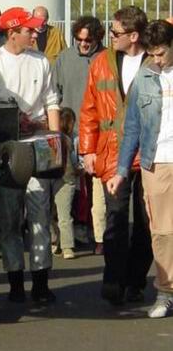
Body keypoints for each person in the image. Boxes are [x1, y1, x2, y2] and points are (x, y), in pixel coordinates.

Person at [0, 7, 60, 302]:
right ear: (12, 33)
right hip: (8, 148)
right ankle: (15, 281)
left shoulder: (41, 61)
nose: (35, 33)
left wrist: (56, 142)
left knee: (40, 214)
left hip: (38, 145)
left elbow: (52, 101)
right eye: (29, 30)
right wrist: (14, 121)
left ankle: (41, 282)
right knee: (10, 217)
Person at [79, 6, 153, 306]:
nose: (110, 36)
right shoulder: (101, 62)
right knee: (116, 218)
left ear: (133, 36)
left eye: (115, 32)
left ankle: (135, 280)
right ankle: (114, 279)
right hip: (111, 151)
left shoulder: (156, 61)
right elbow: (89, 108)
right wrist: (87, 150)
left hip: (149, 153)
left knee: (147, 221)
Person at [107, 20, 173, 318]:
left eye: (161, 53)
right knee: (162, 232)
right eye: (152, 54)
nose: (156, 60)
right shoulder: (145, 77)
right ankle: (166, 291)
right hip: (156, 162)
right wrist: (121, 171)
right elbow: (132, 127)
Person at [53, 15, 107, 255]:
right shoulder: (64, 58)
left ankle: (94, 231)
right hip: (70, 131)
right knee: (70, 185)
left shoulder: (106, 58)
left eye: (88, 40)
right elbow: (54, 92)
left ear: (97, 39)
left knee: (95, 186)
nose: (83, 44)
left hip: (97, 132)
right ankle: (73, 229)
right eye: (79, 39)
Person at [51, 108, 78, 259]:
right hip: (67, 178)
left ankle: (56, 242)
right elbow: (74, 161)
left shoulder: (48, 137)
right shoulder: (68, 140)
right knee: (64, 215)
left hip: (51, 178)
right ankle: (67, 247)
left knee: (48, 214)